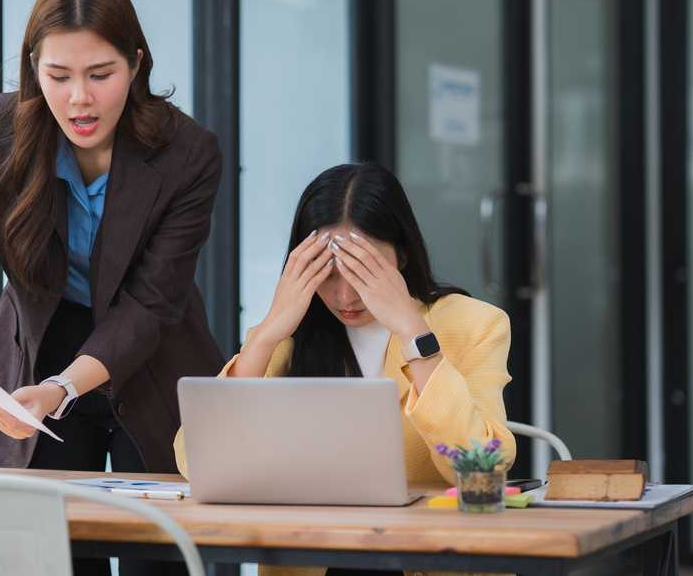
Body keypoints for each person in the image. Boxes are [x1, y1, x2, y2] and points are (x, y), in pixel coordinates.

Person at [0, 0, 224, 576]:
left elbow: (151, 305)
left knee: (156, 555)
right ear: (33, 69)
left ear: (136, 64)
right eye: (58, 77)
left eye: (100, 75)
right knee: (45, 556)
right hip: (36, 357)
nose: (80, 99)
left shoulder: (187, 153)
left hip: (152, 364)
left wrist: (63, 388)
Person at [174, 162, 516, 576]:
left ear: (402, 254)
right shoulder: (290, 333)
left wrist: (413, 331)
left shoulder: (475, 324)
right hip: (314, 556)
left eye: (362, 269)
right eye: (328, 272)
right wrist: (266, 335)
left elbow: (483, 471)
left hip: (427, 558)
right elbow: (197, 462)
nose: (345, 294)